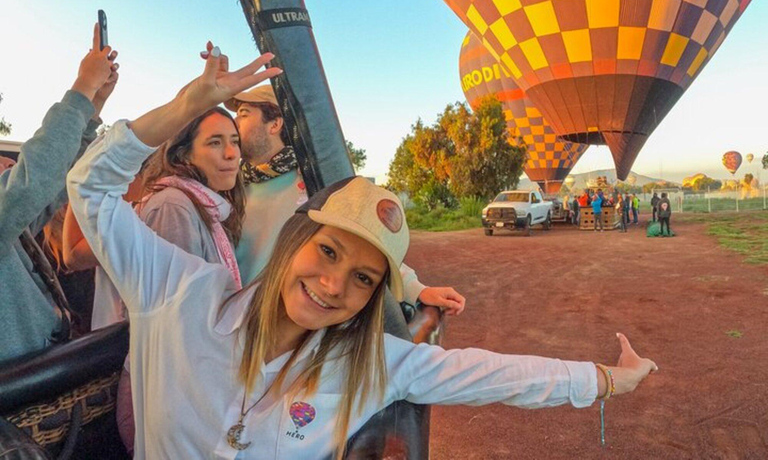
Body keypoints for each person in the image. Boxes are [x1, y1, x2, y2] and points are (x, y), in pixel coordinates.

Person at [67, 44, 657, 460]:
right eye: (326, 252)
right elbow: (89, 187)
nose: (333, 285)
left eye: (363, 279)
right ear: (296, 238)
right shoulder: (178, 295)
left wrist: (606, 380)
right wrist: (186, 106)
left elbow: (493, 373)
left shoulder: (371, 365)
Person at [64, 104, 247, 454]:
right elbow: (178, 319)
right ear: (183, 154)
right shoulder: (174, 205)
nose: (230, 153)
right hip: (168, 392)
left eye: (234, 141)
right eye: (214, 142)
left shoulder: (203, 205)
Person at [226, 84, 465, 337]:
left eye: (243, 113)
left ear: (274, 124)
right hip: (230, 322)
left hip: (281, 328)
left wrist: (416, 289)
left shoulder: (315, 183)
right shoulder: (228, 183)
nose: (234, 122)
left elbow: (365, 240)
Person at [0, 24, 117, 362]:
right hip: (18, 392)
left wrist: (91, 110)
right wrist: (81, 91)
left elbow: (50, 188)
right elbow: (28, 185)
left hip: (39, 366)